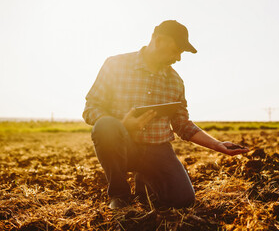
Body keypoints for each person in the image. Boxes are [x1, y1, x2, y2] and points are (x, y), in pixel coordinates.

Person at [82, 20, 249, 209]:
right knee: (106, 126)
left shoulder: (175, 81)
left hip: (156, 149)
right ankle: (119, 195)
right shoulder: (115, 65)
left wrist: (217, 145)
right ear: (158, 40)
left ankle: (145, 184)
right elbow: (91, 107)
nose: (178, 57)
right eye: (176, 50)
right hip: (122, 145)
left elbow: (182, 124)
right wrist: (122, 125)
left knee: (183, 200)